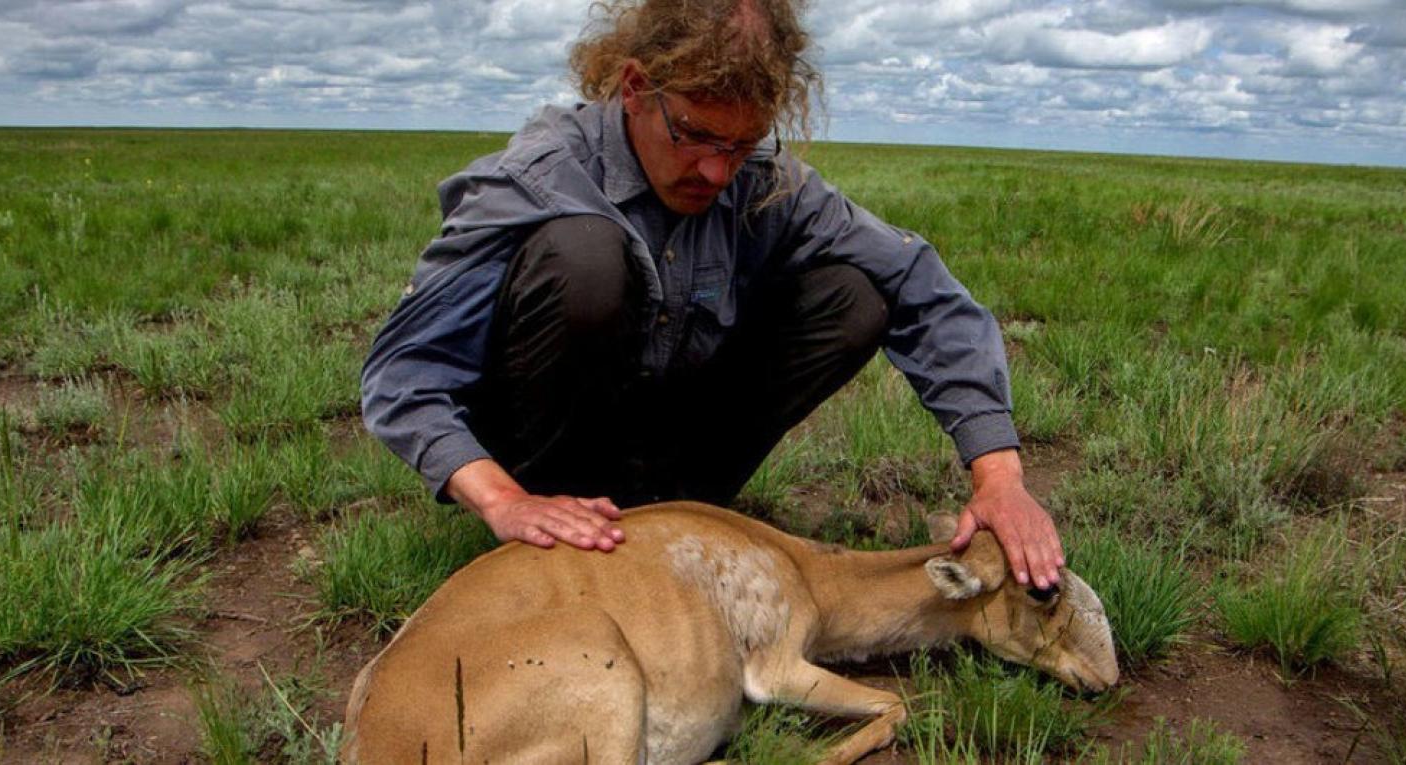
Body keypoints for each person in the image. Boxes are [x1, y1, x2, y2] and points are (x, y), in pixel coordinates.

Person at [360, 0, 1064, 590]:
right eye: (694, 134)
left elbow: (919, 280)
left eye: (742, 143)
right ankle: (551, 528)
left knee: (858, 293)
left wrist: (998, 476)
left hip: (669, 454)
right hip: (543, 466)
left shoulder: (759, 177)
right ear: (635, 87)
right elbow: (404, 374)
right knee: (585, 258)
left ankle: (678, 509)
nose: (715, 170)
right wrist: (504, 499)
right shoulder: (544, 176)